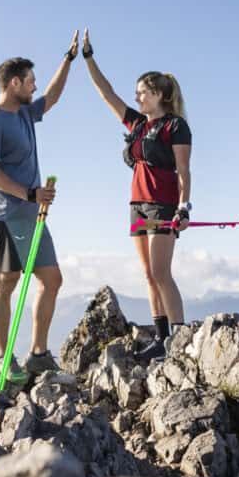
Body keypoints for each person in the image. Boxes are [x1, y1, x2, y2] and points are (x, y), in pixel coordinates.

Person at [82, 28, 192, 361]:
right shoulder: (137, 124)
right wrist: (88, 57)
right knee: (147, 274)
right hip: (137, 205)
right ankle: (161, 339)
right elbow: (106, 93)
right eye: (137, 93)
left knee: (161, 273)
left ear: (159, 93)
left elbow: (184, 170)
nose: (137, 98)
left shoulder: (175, 126)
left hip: (163, 204)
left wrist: (183, 208)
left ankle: (180, 337)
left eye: (143, 92)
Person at [0, 32, 79, 381]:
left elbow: (52, 96)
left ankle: (38, 353)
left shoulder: (24, 114)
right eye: (30, 81)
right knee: (8, 280)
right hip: (4, 213)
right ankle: (2, 357)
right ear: (14, 82)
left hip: (31, 212)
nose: (35, 87)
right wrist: (30, 194)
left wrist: (68, 59)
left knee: (52, 279)